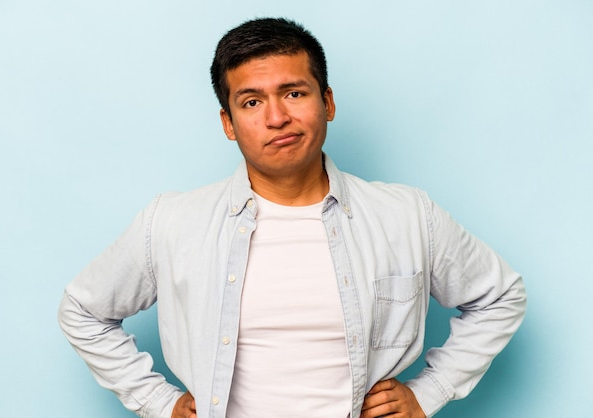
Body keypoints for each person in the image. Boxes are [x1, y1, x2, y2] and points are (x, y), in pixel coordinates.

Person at [58, 17, 526, 418]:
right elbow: (83, 310)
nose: (277, 117)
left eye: (294, 92)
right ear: (228, 123)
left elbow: (500, 296)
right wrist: (158, 401)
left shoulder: (406, 215)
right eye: (252, 102)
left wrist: (430, 393)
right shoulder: (173, 223)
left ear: (328, 102)